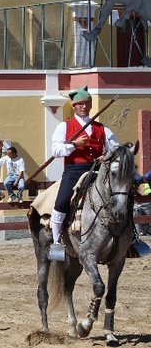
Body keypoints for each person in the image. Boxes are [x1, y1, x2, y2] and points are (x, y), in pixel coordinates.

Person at [50, 86, 119, 260]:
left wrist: (107, 155)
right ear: (74, 106)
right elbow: (56, 150)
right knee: (62, 201)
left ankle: (130, 237)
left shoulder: (101, 128)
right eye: (80, 104)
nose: (83, 107)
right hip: (75, 169)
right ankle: (57, 241)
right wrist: (74, 145)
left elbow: (116, 148)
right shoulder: (64, 126)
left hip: (98, 169)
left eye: (87, 103)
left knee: (121, 197)